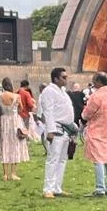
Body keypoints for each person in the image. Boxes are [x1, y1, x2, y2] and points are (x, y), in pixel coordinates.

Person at [39, 66, 74, 198]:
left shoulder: (63, 91)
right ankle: (48, 189)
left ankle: (56, 187)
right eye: (63, 77)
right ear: (55, 79)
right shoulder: (49, 91)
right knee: (53, 159)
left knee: (62, 159)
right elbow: (48, 111)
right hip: (56, 128)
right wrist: (50, 130)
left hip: (66, 129)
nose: (66, 79)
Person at [82, 73, 107, 197]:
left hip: (96, 131)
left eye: (94, 81)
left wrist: (84, 115)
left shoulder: (96, 96)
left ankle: (100, 188)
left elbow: (86, 114)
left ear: (98, 81)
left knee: (98, 160)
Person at [0, 77, 29, 181]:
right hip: (14, 121)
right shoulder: (16, 96)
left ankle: (5, 174)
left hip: (4, 121)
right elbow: (21, 108)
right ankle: (13, 173)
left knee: (4, 145)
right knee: (15, 145)